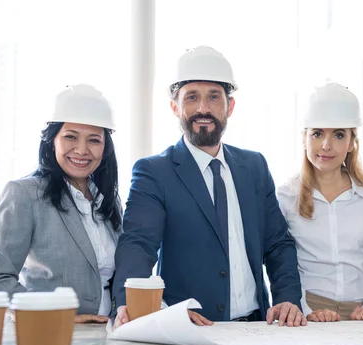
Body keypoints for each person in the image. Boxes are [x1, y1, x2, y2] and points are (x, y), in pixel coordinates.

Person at [113, 46, 304, 327]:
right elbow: (138, 245)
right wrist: (132, 304)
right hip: (190, 330)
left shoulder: (254, 167)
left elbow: (277, 244)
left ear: (230, 106)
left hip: (258, 328)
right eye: (192, 97)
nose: (203, 109)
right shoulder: (154, 172)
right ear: (175, 107)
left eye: (214, 97)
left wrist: (287, 298)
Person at [0, 84, 122, 323]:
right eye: (70, 137)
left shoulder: (108, 201)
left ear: (105, 148)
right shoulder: (25, 194)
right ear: (52, 140)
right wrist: (56, 317)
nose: (82, 150)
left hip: (108, 336)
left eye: (94, 140)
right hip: (49, 335)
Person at [277, 83, 363, 322]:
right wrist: (306, 310)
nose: (326, 145)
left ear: (351, 143)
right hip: (310, 311)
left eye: (338, 135)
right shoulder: (286, 196)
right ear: (304, 138)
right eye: (317, 133)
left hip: (362, 314)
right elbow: (283, 263)